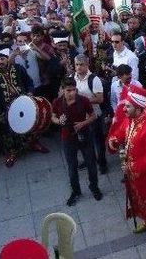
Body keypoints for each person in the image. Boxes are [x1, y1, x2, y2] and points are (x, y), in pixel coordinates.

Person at [107, 84, 146, 247]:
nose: (124, 109)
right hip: (136, 175)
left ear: (137, 107)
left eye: (128, 106)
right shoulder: (130, 120)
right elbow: (121, 132)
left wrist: (133, 167)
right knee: (140, 199)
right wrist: (114, 140)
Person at [51, 77, 102, 206]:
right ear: (62, 90)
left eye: (74, 90)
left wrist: (82, 123)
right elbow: (53, 116)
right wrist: (58, 121)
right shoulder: (57, 102)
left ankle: (94, 187)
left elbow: (93, 116)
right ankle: (76, 191)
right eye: (68, 90)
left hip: (84, 135)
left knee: (91, 165)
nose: (72, 93)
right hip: (67, 138)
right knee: (72, 168)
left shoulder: (84, 100)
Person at [0, 43, 39, 167]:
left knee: (28, 125)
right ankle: (12, 153)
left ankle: (32, 144)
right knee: (7, 133)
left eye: (2, 59)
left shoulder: (18, 68)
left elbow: (29, 82)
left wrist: (30, 92)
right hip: (4, 109)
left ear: (8, 58)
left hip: (23, 104)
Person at [72, 54, 108, 174]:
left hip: (94, 115)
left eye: (81, 65)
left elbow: (100, 99)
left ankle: (102, 163)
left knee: (98, 141)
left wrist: (82, 100)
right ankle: (90, 160)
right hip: (80, 116)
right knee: (84, 141)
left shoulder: (94, 79)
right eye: (76, 64)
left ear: (87, 65)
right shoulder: (72, 78)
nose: (78, 67)